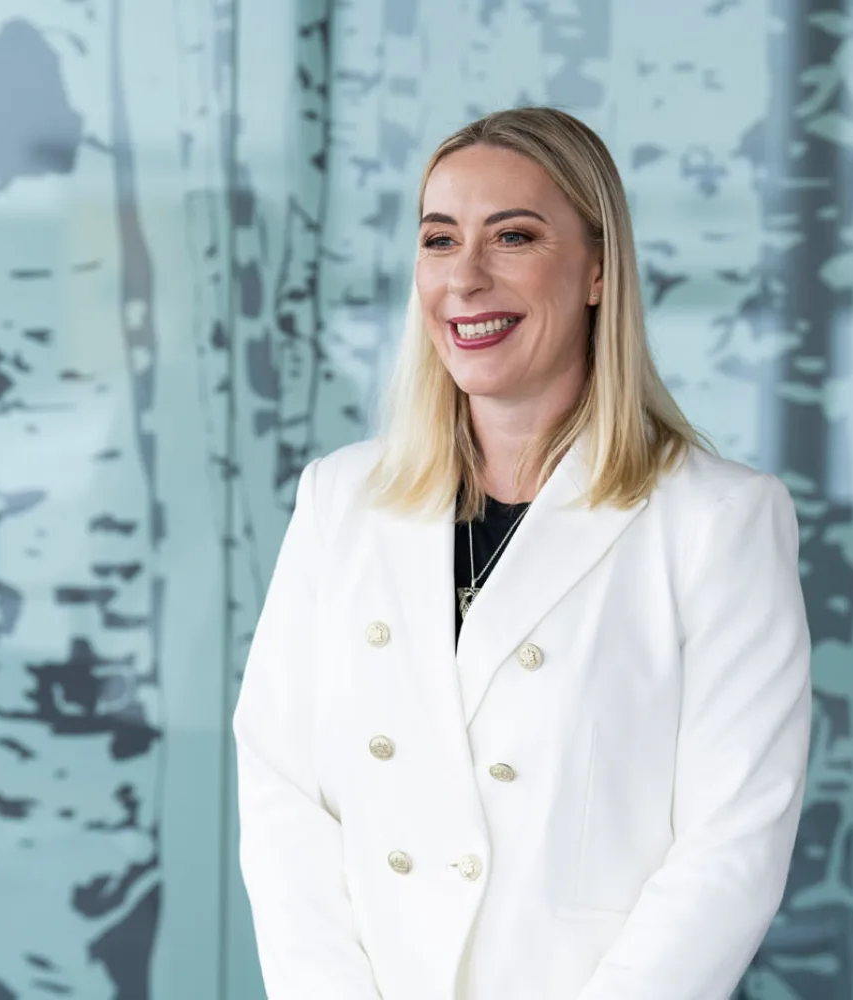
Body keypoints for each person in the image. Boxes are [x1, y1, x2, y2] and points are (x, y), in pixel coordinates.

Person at [232, 105, 812, 1000]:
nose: (463, 278)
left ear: (596, 270)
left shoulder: (719, 520)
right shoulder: (338, 502)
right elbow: (280, 792)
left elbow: (732, 848)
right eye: (438, 239)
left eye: (513, 237)